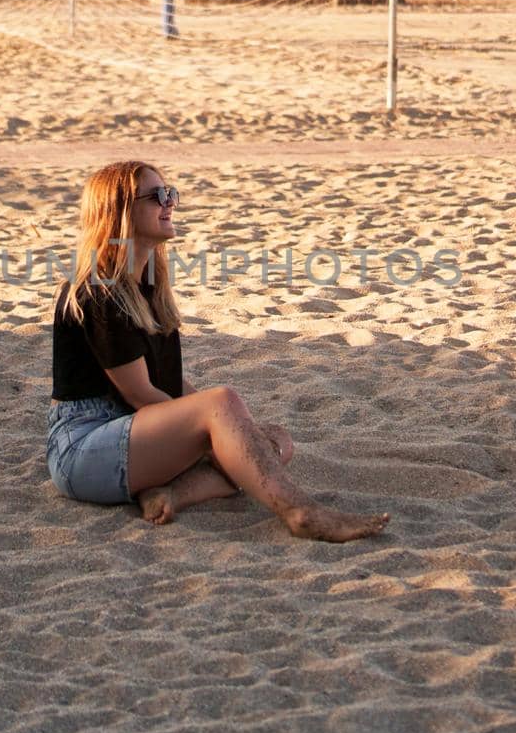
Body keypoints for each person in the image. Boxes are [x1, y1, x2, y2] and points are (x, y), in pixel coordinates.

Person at [47, 160, 389, 543]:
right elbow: (141, 395)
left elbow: (170, 382)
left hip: (134, 432)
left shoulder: (147, 285)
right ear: (121, 210)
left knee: (273, 441)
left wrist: (238, 437)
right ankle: (301, 512)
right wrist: (214, 438)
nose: (170, 202)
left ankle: (169, 492)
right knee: (225, 412)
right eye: (157, 196)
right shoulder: (99, 289)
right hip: (85, 444)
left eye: (171, 193)